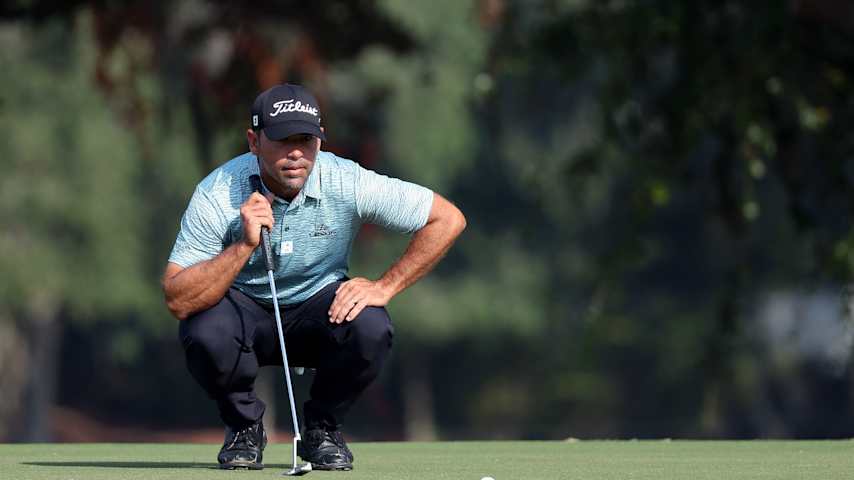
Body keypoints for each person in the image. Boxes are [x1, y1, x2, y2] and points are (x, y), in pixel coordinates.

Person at [161, 83, 466, 471]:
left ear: (320, 143)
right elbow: (177, 298)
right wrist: (242, 249)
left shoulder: (347, 180)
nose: (295, 153)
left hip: (318, 307)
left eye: (305, 140)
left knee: (371, 326)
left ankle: (322, 429)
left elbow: (447, 219)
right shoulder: (219, 191)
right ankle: (244, 427)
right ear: (254, 142)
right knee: (204, 329)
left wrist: (384, 286)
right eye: (281, 139)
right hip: (243, 312)